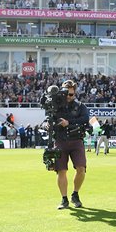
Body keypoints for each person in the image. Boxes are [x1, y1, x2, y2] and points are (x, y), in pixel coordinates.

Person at [50, 80, 90, 209]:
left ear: (75, 93)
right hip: (60, 140)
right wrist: (48, 124)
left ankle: (75, 194)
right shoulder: (54, 105)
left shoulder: (80, 106)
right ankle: (64, 199)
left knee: (81, 169)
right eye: (66, 93)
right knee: (61, 171)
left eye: (71, 94)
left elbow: (85, 119)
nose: (68, 96)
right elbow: (48, 119)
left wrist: (69, 122)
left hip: (76, 140)